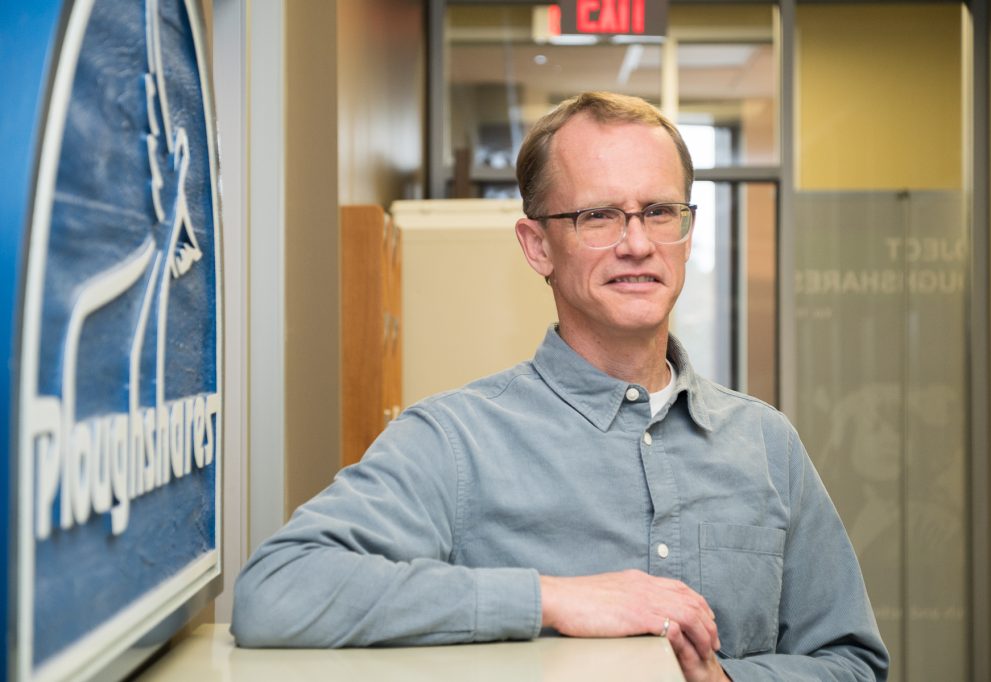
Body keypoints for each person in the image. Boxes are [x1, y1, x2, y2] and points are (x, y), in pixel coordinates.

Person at [231, 91, 889, 681]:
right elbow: (277, 592)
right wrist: (553, 599)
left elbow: (852, 662)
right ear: (537, 246)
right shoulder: (455, 442)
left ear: (687, 234)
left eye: (660, 211)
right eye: (598, 216)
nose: (638, 243)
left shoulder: (767, 444)